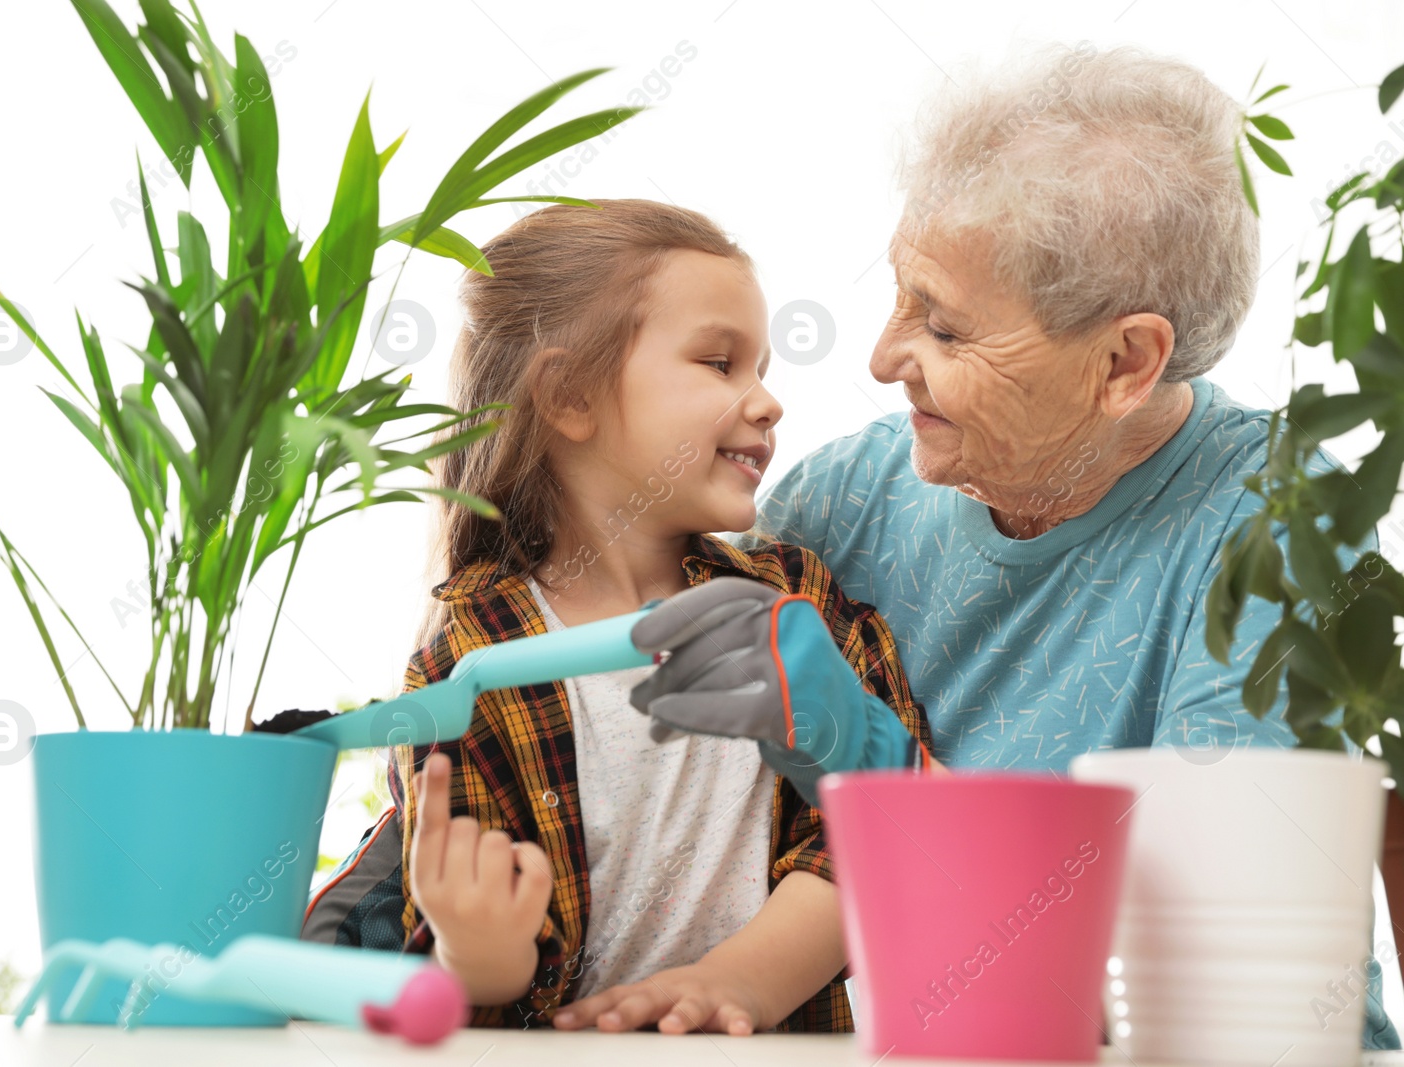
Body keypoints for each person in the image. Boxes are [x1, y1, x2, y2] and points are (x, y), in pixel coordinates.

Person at [622, 43, 1400, 1049]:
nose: (881, 356)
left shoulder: (1282, 522)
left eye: (944, 330)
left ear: (1125, 362)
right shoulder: (845, 500)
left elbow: (1193, 978)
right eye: (901, 293)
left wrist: (872, 756)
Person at [283, 199, 931, 1033]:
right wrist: (478, 950)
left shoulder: (794, 599)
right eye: (720, 362)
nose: (767, 402)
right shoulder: (469, 655)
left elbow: (875, 837)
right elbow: (475, 978)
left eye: (763, 367)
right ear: (570, 395)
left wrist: (738, 981)